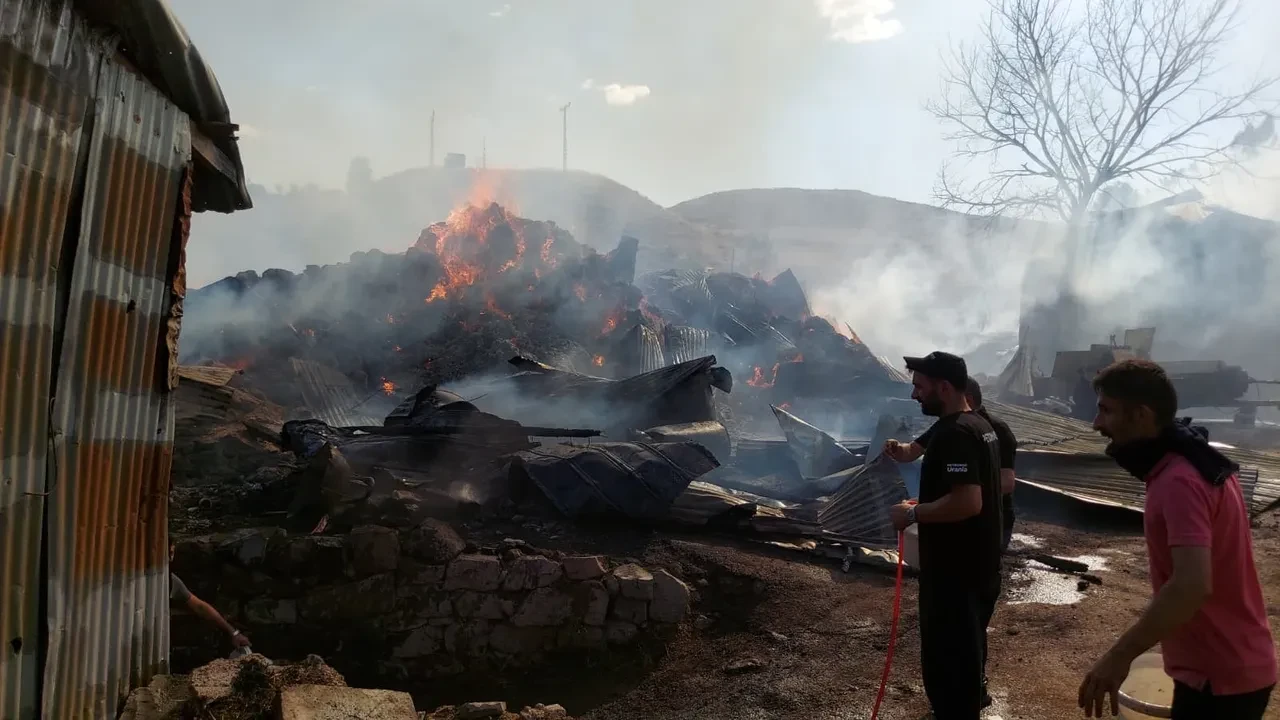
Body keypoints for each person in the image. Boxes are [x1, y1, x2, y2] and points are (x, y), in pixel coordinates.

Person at [1077, 359, 1276, 719]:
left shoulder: (1179, 480)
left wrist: (1117, 657)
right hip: (1227, 665)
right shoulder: (1198, 460)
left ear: (1141, 415)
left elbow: (1190, 585)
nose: (1097, 423)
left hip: (1218, 678)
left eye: (1106, 410)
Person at [886, 351, 1003, 720]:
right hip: (977, 563)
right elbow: (965, 491)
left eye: (919, 387)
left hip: (956, 570)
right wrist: (929, 500)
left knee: (951, 660)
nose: (914, 395)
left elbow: (969, 502)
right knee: (965, 652)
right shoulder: (975, 425)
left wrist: (912, 514)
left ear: (945, 387)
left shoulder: (957, 435)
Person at [886, 376, 1018, 552]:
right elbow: (911, 451)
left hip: (988, 520)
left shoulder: (997, 429)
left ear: (967, 399)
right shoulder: (948, 425)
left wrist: (956, 496)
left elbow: (1007, 483)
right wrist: (896, 448)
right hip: (954, 517)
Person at [170, 544, 251, 652]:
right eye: (169, 553)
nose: (171, 558)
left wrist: (233, 633)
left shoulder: (171, 580)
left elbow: (200, 607)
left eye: (172, 553)